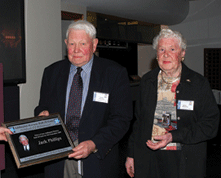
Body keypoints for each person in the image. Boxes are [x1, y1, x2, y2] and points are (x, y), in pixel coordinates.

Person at [34, 20, 132, 178]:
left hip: (96, 160)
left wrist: (94, 144)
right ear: (66, 44)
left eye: (82, 44)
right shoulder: (51, 72)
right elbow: (42, 106)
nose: (76, 50)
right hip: (58, 159)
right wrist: (42, 114)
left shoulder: (114, 73)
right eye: (72, 44)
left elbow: (122, 118)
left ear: (94, 44)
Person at [125, 28, 220, 178]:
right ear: (156, 54)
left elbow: (211, 125)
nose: (166, 54)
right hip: (150, 157)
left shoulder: (198, 84)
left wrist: (173, 136)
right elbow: (139, 122)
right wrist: (131, 154)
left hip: (184, 160)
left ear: (182, 53)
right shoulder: (147, 81)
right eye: (161, 49)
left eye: (172, 49)